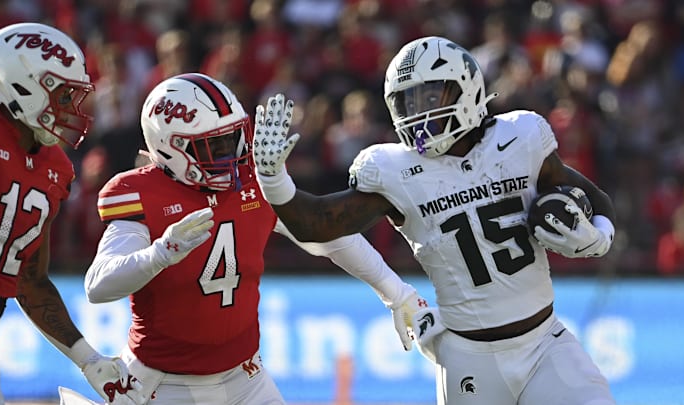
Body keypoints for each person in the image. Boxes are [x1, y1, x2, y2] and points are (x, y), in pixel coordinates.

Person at [253, 36, 618, 405]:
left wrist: (599, 235)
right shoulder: (395, 170)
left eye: (430, 98)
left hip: (544, 343)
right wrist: (273, 179)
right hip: (469, 358)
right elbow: (315, 224)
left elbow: (595, 198)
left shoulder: (519, 137)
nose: (418, 114)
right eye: (407, 102)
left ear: (467, 89)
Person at [83, 72, 426, 404]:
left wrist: (397, 292)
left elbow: (326, 237)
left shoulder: (254, 180)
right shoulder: (140, 192)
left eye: (232, 138)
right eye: (213, 145)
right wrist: (160, 253)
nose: (230, 154)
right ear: (171, 147)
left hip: (245, 378)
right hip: (163, 384)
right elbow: (99, 285)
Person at [0, 23, 144, 404]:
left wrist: (89, 360)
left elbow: (31, 280)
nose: (71, 110)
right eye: (61, 96)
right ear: (22, 84)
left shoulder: (55, 168)